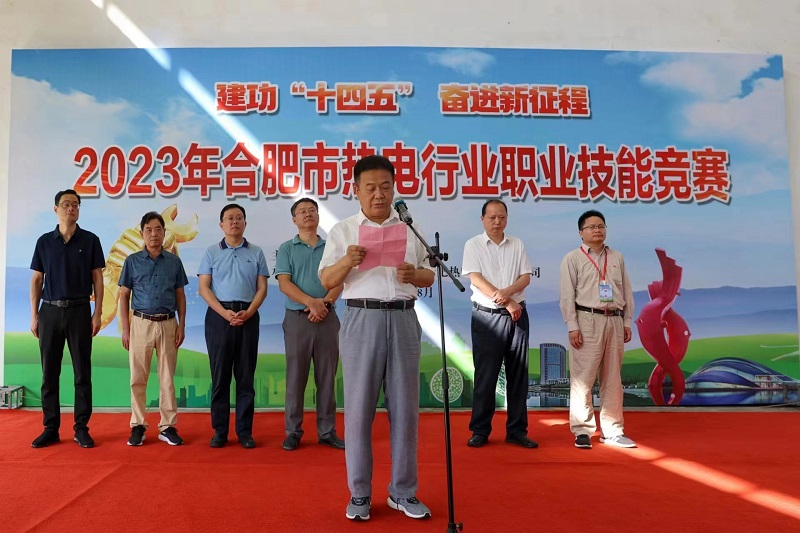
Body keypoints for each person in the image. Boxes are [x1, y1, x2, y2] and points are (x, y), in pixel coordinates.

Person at [319, 155, 434, 522]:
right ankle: (360, 494)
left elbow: (430, 275)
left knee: (405, 412)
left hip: (403, 318)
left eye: (386, 187)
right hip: (361, 318)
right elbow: (326, 280)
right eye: (370, 187)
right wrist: (347, 261)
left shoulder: (410, 227)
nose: (379, 194)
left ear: (394, 188)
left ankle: (403, 492)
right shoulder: (344, 230)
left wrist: (413, 274)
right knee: (358, 412)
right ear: (356, 190)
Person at [29, 189, 104, 448]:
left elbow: (97, 278)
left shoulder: (90, 240)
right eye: (66, 204)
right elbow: (37, 280)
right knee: (49, 373)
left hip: (79, 311)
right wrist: (34, 315)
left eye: (75, 205)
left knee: (82, 373)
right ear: (56, 209)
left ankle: (81, 428)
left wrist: (98, 313)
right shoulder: (44, 242)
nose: (71, 208)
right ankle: (50, 428)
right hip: (49, 312)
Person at [462, 199, 537, 449]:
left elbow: (525, 276)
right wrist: (506, 301)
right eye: (492, 217)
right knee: (486, 377)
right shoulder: (473, 244)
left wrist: (507, 295)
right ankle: (480, 430)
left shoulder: (517, 244)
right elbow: (476, 278)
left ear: (507, 218)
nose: (497, 221)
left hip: (517, 317)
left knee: (518, 376)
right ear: (482, 219)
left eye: (502, 217)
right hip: (487, 317)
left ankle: (517, 430)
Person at [559, 209, 636, 449]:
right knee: (583, 378)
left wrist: (627, 321)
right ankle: (582, 430)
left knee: (613, 378)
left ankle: (613, 431)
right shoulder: (572, 258)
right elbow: (566, 295)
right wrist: (572, 326)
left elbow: (626, 292)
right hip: (587, 319)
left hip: (614, 319)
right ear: (581, 233)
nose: (597, 230)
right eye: (591, 227)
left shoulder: (617, 257)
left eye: (601, 226)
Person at [275, 198, 345, 451]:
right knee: (296, 378)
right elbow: (284, 283)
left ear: (318, 216)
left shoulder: (332, 247)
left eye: (312, 210)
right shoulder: (286, 248)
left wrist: (324, 304)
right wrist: (311, 303)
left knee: (327, 377)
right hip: (297, 320)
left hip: (327, 318)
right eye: (302, 212)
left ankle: (327, 431)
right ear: (294, 219)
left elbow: (340, 280)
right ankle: (293, 431)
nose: (307, 214)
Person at [198, 203, 268, 449]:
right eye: (229, 218)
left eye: (239, 218)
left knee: (246, 377)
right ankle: (219, 431)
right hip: (219, 317)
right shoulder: (211, 252)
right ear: (221, 225)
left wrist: (249, 312)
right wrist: (224, 314)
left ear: (245, 223)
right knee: (220, 377)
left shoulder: (256, 252)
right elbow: (204, 288)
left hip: (248, 316)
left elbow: (262, 288)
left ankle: (244, 432)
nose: (234, 222)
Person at [118, 211, 189, 446]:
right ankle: (138, 425)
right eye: (148, 230)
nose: (153, 234)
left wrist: (182, 325)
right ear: (142, 233)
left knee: (167, 378)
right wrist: (125, 329)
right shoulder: (132, 261)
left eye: (158, 229)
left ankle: (167, 426)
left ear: (164, 232)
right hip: (140, 323)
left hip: (168, 323)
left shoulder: (174, 262)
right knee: (138, 378)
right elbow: (124, 296)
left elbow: (180, 295)